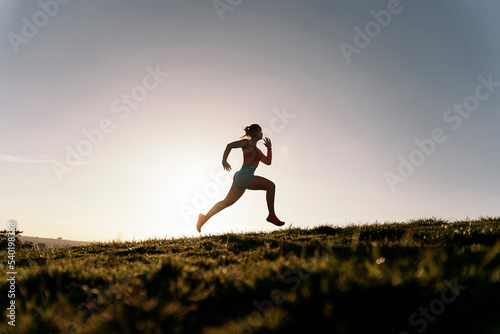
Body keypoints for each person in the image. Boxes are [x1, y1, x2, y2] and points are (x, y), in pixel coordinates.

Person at [197, 124, 285, 232]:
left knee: (226, 202)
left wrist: (269, 149)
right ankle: (271, 215)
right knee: (270, 186)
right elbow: (229, 145)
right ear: (253, 131)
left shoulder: (258, 151)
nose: (262, 133)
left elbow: (268, 162)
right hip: (244, 175)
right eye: (260, 131)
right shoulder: (247, 143)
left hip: (243, 177)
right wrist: (224, 160)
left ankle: (204, 218)